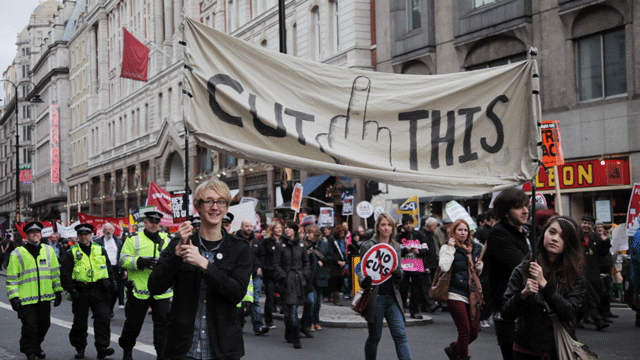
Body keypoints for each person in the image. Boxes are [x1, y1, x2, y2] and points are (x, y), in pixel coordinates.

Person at [148, 180, 251, 360]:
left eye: (221, 201)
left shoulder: (239, 248)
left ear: (226, 207)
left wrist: (204, 264)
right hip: (182, 349)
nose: (215, 207)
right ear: (198, 206)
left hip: (222, 349)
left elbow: (236, 293)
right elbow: (155, 286)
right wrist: (176, 256)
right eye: (208, 201)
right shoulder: (180, 243)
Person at [502, 216, 586, 360]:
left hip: (558, 349)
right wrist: (523, 295)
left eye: (562, 236)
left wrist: (545, 285)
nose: (555, 238)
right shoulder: (524, 268)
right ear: (543, 234)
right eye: (551, 232)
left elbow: (570, 313)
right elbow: (506, 313)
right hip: (525, 350)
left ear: (570, 242)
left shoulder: (575, 274)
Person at [117, 211, 173, 360]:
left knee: (162, 326)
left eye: (156, 221)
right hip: (138, 290)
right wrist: (139, 262)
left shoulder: (167, 239)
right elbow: (122, 260)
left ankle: (161, 355)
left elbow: (174, 260)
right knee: (133, 324)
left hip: (162, 292)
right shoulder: (133, 240)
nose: (154, 224)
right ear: (145, 222)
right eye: (150, 221)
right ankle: (127, 352)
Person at [484, 188, 531, 360]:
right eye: (518, 207)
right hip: (508, 308)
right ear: (505, 212)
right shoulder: (498, 233)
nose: (525, 211)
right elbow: (521, 266)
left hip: (525, 305)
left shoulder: (523, 231)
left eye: (526, 206)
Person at [6, 221, 63, 360]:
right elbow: (12, 277)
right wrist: (14, 297)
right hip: (25, 299)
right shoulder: (17, 253)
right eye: (32, 233)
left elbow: (55, 273)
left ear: (40, 234)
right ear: (27, 235)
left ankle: (37, 345)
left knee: (44, 324)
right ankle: (29, 351)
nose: (35, 235)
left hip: (44, 297)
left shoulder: (49, 251)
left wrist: (58, 291)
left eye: (37, 232)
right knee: (30, 327)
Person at [357, 213, 410, 360]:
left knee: (400, 335)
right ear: (378, 227)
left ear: (393, 228)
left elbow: (400, 270)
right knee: (374, 337)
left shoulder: (396, 246)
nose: (386, 228)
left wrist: (399, 274)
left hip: (393, 297)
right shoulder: (367, 245)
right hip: (376, 297)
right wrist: (365, 281)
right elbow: (360, 270)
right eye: (383, 225)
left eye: (389, 225)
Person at [61, 223, 116, 360]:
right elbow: (65, 274)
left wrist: (111, 284)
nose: (84, 237)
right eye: (81, 235)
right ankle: (80, 348)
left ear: (91, 235)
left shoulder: (100, 249)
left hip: (100, 290)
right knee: (80, 323)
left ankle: (102, 348)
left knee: (103, 319)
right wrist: (72, 290)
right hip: (81, 290)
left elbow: (109, 268)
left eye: (86, 234)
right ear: (78, 236)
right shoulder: (71, 252)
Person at [440, 220, 484, 360]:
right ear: (453, 232)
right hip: (455, 293)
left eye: (465, 230)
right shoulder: (447, 248)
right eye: (460, 230)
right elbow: (444, 267)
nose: (463, 233)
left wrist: (479, 265)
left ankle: (454, 348)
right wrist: (451, 249)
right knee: (464, 331)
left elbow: (477, 273)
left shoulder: (475, 248)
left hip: (472, 294)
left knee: (474, 332)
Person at [274, 220, 311, 348]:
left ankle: (289, 332)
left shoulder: (301, 244)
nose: (287, 230)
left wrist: (305, 274)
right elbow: (276, 264)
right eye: (286, 228)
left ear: (294, 230)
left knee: (293, 308)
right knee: (291, 309)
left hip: (299, 280)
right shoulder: (280, 245)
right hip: (286, 280)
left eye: (290, 228)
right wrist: (282, 276)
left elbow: (306, 262)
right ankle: (295, 336)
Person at [575, 215, 610, 330]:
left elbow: (603, 253)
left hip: (593, 271)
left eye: (589, 224)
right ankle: (598, 320)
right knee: (585, 296)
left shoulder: (595, 237)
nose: (586, 225)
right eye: (584, 223)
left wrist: (605, 241)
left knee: (593, 296)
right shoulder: (575, 235)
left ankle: (578, 319)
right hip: (578, 270)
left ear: (592, 226)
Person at [235, 218, 269, 335]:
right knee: (239, 300)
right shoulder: (236, 241)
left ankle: (258, 325)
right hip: (241, 275)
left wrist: (260, 266)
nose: (249, 228)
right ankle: (239, 324)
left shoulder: (256, 241)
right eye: (246, 226)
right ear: (241, 227)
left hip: (255, 275)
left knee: (255, 300)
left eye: (250, 226)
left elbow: (262, 255)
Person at [302, 224, 333, 332]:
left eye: (309, 233)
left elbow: (330, 258)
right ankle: (310, 322)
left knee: (318, 301)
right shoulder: (305, 245)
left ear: (315, 234)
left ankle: (316, 321)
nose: (308, 235)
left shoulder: (324, 244)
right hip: (310, 275)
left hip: (320, 275)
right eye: (307, 233)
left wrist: (323, 261)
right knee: (312, 300)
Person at [397, 214, 429, 319]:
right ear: (403, 225)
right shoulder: (398, 236)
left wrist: (418, 251)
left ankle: (414, 311)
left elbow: (426, 250)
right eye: (406, 224)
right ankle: (400, 311)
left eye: (410, 223)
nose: (408, 226)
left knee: (416, 290)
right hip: (404, 266)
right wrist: (406, 250)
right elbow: (395, 251)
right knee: (403, 290)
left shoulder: (419, 235)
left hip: (417, 265)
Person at [94, 223, 124, 315]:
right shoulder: (98, 242)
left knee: (115, 290)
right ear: (103, 231)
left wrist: (124, 269)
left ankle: (110, 308)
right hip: (104, 268)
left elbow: (123, 255)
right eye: (106, 230)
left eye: (110, 229)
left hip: (116, 268)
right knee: (106, 289)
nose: (108, 231)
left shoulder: (118, 241)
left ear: (113, 230)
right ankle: (105, 309)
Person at [262, 221, 283, 329]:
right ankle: (268, 321)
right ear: (273, 229)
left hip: (281, 272)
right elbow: (263, 255)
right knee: (270, 297)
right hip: (269, 272)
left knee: (283, 295)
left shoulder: (284, 241)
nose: (279, 229)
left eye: (280, 227)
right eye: (277, 228)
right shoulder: (267, 241)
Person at [419, 216, 441, 313]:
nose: (436, 228)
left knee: (429, 284)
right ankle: (429, 304)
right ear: (430, 226)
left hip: (432, 263)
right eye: (435, 226)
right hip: (426, 264)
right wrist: (426, 265)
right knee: (426, 284)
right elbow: (424, 252)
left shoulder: (430, 234)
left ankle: (426, 305)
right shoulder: (422, 234)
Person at [328, 224, 348, 305]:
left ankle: (335, 297)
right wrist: (337, 261)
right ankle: (336, 299)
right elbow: (331, 252)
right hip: (334, 264)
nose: (342, 235)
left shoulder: (342, 241)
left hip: (342, 263)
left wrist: (345, 261)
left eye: (344, 233)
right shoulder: (332, 240)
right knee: (334, 281)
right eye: (341, 233)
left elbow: (344, 252)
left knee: (341, 281)